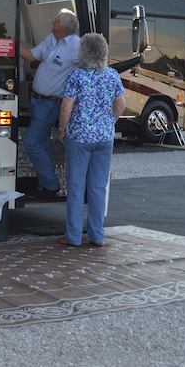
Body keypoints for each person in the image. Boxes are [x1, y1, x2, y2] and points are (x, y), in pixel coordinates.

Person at [57, 33, 125, 247]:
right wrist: (108, 123)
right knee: (98, 188)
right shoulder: (112, 75)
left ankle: (74, 236)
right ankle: (97, 236)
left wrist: (62, 128)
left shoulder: (76, 76)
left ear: (83, 52)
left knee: (76, 188)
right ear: (104, 52)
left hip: (79, 137)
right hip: (104, 138)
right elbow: (121, 105)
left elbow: (67, 105)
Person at [20, 9, 81, 199]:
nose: (51, 24)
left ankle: (51, 184)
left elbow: (92, 65)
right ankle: (45, 186)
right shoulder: (50, 39)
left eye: (54, 22)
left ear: (63, 28)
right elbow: (31, 57)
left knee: (30, 142)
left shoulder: (76, 46)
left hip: (51, 103)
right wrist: (10, 45)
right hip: (37, 101)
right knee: (41, 142)